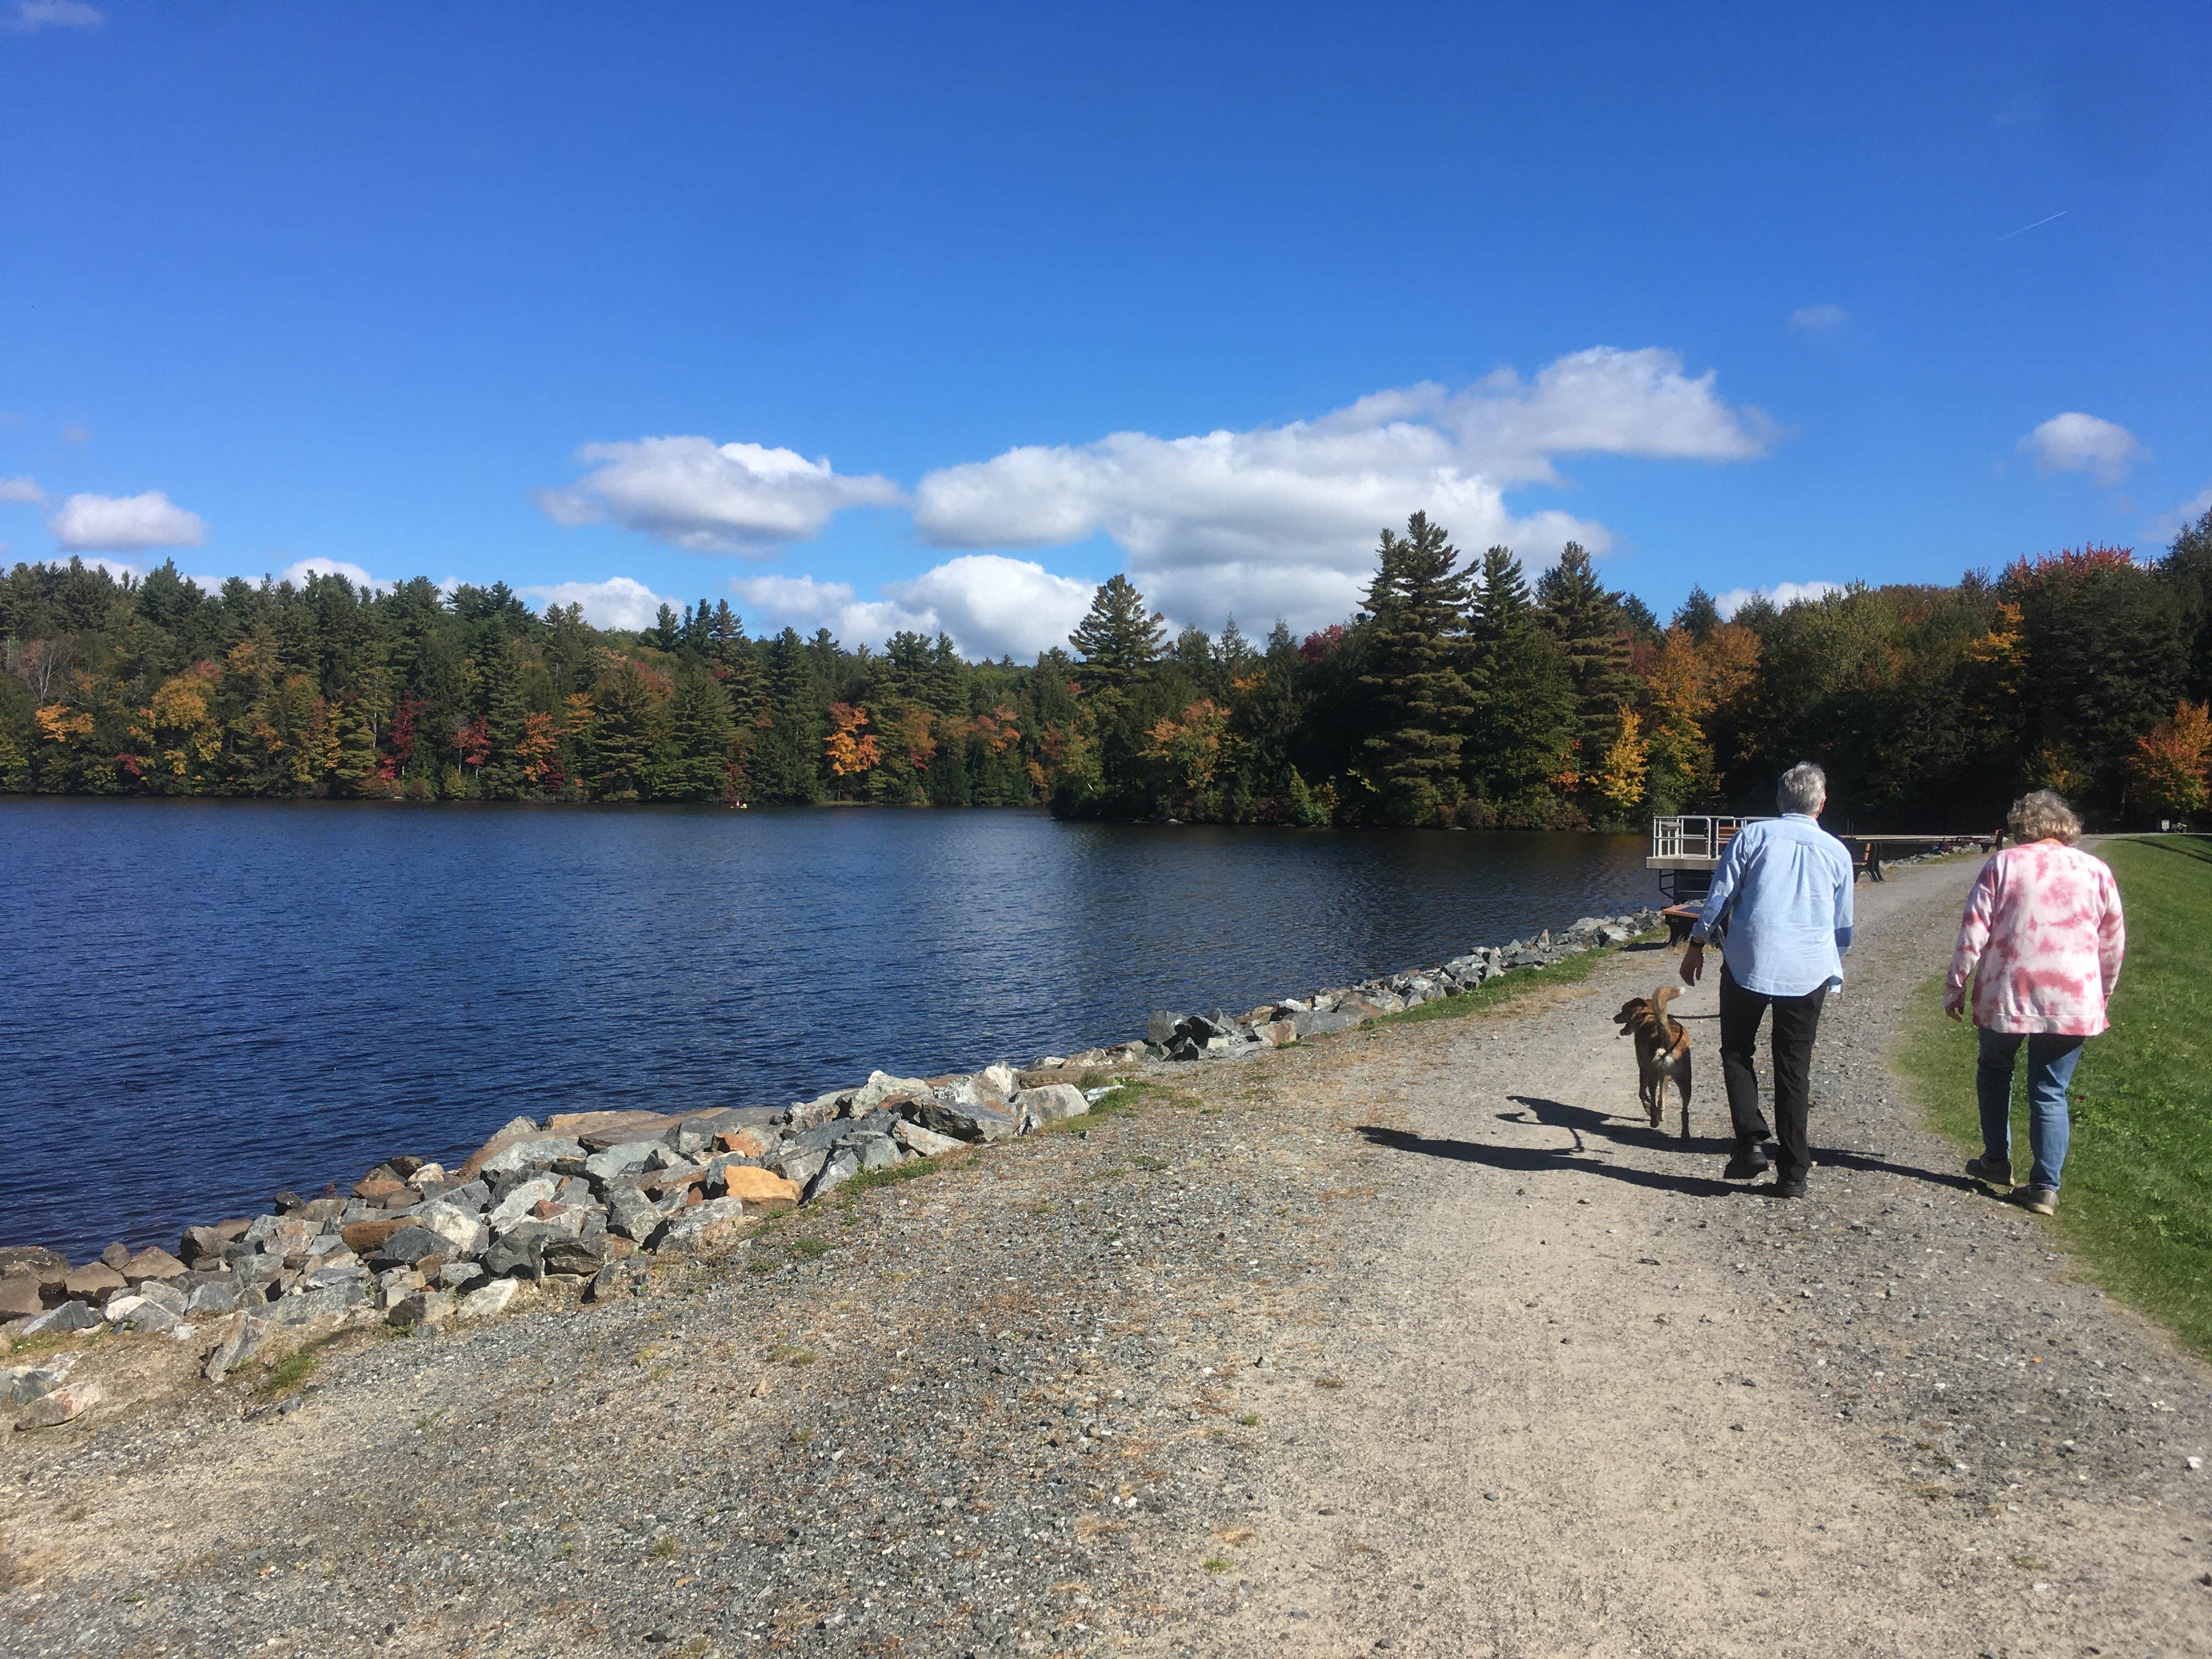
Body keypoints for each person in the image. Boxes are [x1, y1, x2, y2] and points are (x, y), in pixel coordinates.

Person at [1944, 790, 2125, 1216]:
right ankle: (2045, 1186)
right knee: (2051, 1091)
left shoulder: (2004, 864)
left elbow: (1975, 930)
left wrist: (1956, 985)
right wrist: (2103, 994)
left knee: (1994, 1069)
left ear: (2022, 828)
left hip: (2007, 991)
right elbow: (2112, 942)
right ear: (2067, 827)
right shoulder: (2097, 871)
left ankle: (1996, 1159)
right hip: (2072, 997)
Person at [1680, 761, 1855, 1197]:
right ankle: (1794, 1171)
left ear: (1779, 801)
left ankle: (1750, 1142)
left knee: (1738, 1050)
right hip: (1808, 969)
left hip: (1748, 961)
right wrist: (1833, 963)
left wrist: (1697, 943)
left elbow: (1721, 895)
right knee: (1794, 1065)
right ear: (1822, 803)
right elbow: (1843, 925)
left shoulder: (1753, 837)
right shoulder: (1836, 852)